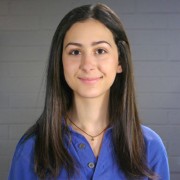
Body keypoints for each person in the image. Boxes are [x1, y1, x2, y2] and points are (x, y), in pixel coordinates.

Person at [8, 3, 170, 180]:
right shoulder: (31, 148)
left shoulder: (150, 147)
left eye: (100, 50)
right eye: (75, 52)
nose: (87, 65)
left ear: (120, 61)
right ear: (60, 63)